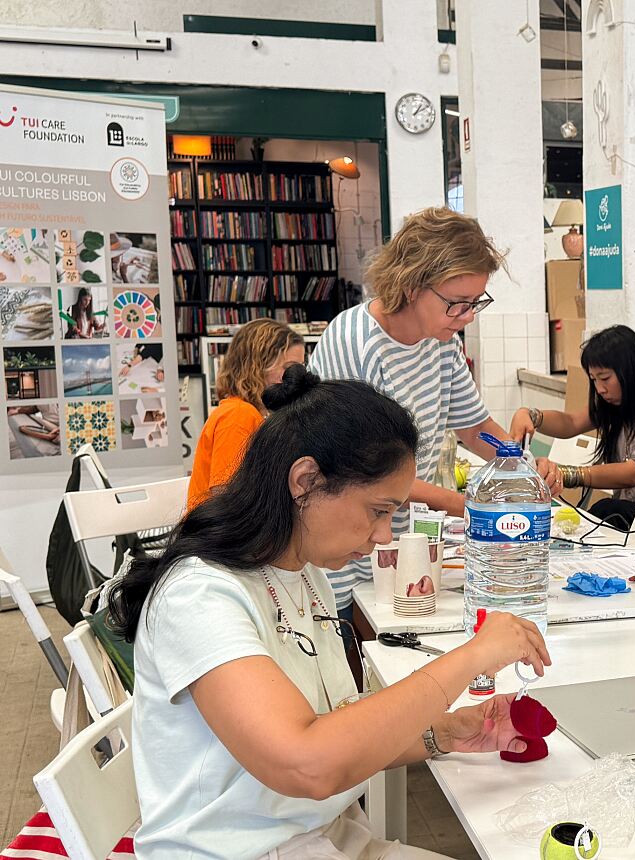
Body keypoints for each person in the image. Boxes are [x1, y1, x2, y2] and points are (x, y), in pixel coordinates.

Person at [108, 366, 552, 860]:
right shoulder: (198, 596)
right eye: (378, 510)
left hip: (323, 836)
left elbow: (338, 729)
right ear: (305, 481)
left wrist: (444, 731)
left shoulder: (303, 572)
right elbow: (308, 764)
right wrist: (471, 657)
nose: (384, 535)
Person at [309, 207, 561, 619]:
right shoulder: (354, 342)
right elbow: (367, 471)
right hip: (341, 550)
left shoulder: (441, 343)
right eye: (457, 304)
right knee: (349, 637)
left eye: (475, 303)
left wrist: (525, 470)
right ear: (411, 285)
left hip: (396, 542)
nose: (467, 317)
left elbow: (475, 427)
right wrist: (470, 505)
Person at [509, 325, 635, 530]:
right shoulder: (618, 406)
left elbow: (633, 472)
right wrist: (530, 415)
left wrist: (562, 474)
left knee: (606, 509)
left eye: (605, 378)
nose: (600, 389)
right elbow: (570, 422)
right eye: (594, 380)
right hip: (623, 521)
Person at [187, 318, 305, 510]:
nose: (297, 376)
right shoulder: (238, 415)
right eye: (288, 367)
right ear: (256, 366)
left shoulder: (252, 413)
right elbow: (226, 498)